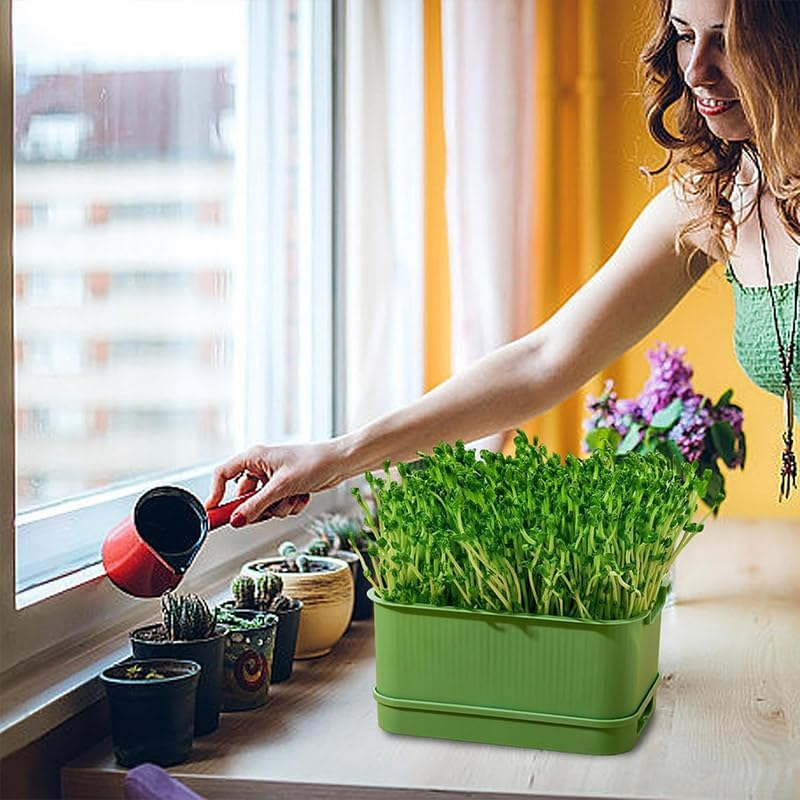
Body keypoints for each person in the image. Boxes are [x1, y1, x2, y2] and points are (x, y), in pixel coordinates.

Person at [206, 0, 800, 524]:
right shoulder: (718, 199)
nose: (695, 70)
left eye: (726, 39)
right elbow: (543, 361)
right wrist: (337, 456)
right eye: (684, 33)